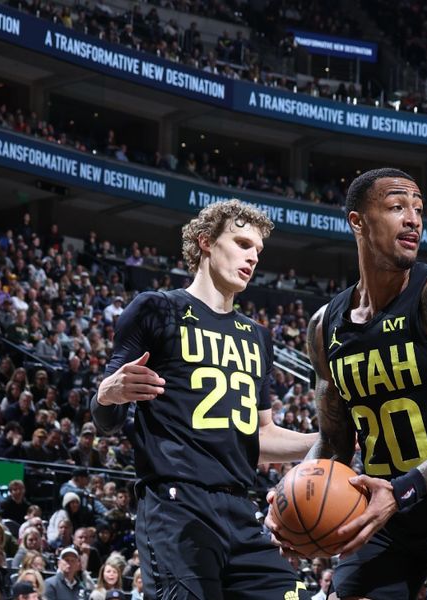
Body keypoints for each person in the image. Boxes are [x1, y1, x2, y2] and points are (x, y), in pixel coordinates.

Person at [268, 168, 427, 599]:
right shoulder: (324, 326)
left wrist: (405, 489)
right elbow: (334, 442)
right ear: (357, 222)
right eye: (398, 207)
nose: (414, 219)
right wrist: (289, 499)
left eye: (419, 209)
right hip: (385, 514)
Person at [91, 200, 317, 599]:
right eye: (243, 243)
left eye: (258, 251)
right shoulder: (156, 308)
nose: (253, 257)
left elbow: (259, 436)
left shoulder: (257, 335)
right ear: (206, 242)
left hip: (242, 511)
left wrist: (325, 441)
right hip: (176, 508)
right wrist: (108, 393)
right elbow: (105, 419)